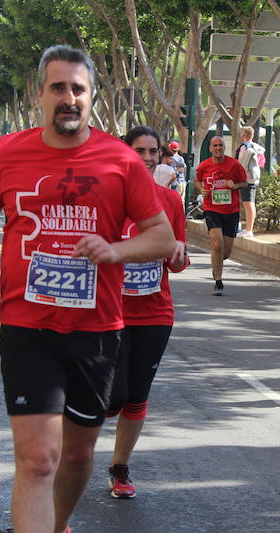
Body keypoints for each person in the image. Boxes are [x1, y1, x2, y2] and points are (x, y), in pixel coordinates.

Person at [0, 45, 174, 533]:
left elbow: (162, 236)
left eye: (78, 89)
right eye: (58, 88)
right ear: (40, 95)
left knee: (78, 455)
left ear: (91, 98)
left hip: (97, 329)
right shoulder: (9, 154)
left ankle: (59, 526)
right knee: (38, 457)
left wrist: (115, 249)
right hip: (26, 326)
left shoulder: (121, 161)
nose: (68, 98)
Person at [107, 126, 189, 499]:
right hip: (109, 312)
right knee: (111, 397)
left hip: (155, 313)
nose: (147, 158)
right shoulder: (106, 200)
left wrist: (178, 256)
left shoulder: (169, 202)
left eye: (153, 151)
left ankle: (119, 467)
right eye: (139, 151)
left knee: (136, 394)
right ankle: (70, 451)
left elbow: (177, 262)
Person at [195, 135, 247, 296]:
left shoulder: (234, 164)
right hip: (212, 209)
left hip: (231, 211)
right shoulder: (204, 165)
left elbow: (245, 183)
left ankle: (216, 265)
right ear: (210, 148)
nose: (218, 148)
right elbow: (198, 180)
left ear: (224, 147)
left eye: (220, 145)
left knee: (226, 252)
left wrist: (235, 185)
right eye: (215, 145)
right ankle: (218, 281)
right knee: (217, 244)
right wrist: (201, 189)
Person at [235, 125, 264, 238]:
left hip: (246, 178)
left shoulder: (244, 147)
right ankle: (248, 228)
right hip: (254, 177)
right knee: (250, 203)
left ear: (243, 135)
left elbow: (241, 162)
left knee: (248, 203)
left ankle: (248, 229)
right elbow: (261, 163)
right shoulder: (257, 147)